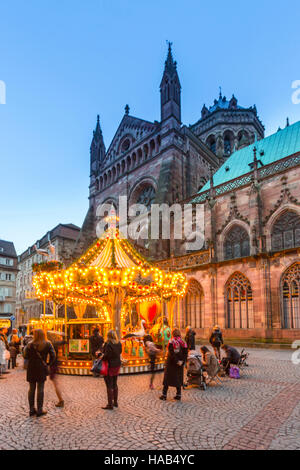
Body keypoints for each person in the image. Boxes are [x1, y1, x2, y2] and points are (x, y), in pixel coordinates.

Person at [23, 329, 56, 417]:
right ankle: (40, 410)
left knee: (31, 388)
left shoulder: (29, 344)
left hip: (31, 367)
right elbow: (53, 355)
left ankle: (31, 409)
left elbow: (25, 355)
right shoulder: (47, 343)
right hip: (41, 367)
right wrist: (48, 363)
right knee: (40, 388)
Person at [160, 328, 188, 401]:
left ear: (172, 334)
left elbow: (171, 353)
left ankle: (164, 395)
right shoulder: (183, 342)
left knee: (167, 379)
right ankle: (178, 395)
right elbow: (185, 353)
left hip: (171, 363)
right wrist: (182, 361)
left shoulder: (171, 342)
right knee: (178, 379)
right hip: (179, 364)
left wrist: (176, 361)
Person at [101, 330, 122, 410]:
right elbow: (120, 352)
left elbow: (106, 356)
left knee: (109, 385)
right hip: (117, 365)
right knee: (115, 383)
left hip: (110, 365)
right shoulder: (118, 343)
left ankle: (110, 404)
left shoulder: (108, 344)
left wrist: (101, 356)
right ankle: (115, 402)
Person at [49, 336, 66, 408]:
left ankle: (61, 400)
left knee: (55, 383)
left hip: (53, 365)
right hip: (54, 364)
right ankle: (60, 399)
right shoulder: (54, 344)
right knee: (55, 382)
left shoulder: (50, 345)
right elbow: (62, 342)